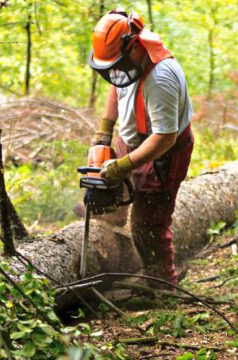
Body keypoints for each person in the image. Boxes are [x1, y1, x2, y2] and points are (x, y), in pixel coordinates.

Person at [88, 9, 194, 286]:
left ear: (134, 45)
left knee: (148, 224)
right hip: (132, 141)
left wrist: (124, 165)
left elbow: (165, 138)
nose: (116, 69)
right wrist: (105, 130)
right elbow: (116, 83)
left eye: (119, 62)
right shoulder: (127, 61)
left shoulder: (161, 78)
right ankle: (117, 244)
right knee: (109, 194)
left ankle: (161, 284)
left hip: (163, 154)